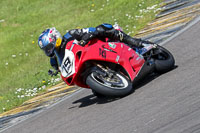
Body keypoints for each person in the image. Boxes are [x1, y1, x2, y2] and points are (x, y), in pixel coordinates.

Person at [38, 23, 155, 76]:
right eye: (46, 49)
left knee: (101, 28)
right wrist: (56, 70)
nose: (49, 50)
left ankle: (138, 44)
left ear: (55, 38)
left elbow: (89, 30)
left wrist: (85, 38)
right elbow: (55, 65)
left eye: (49, 46)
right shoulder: (54, 57)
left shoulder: (70, 34)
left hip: (97, 45)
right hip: (86, 59)